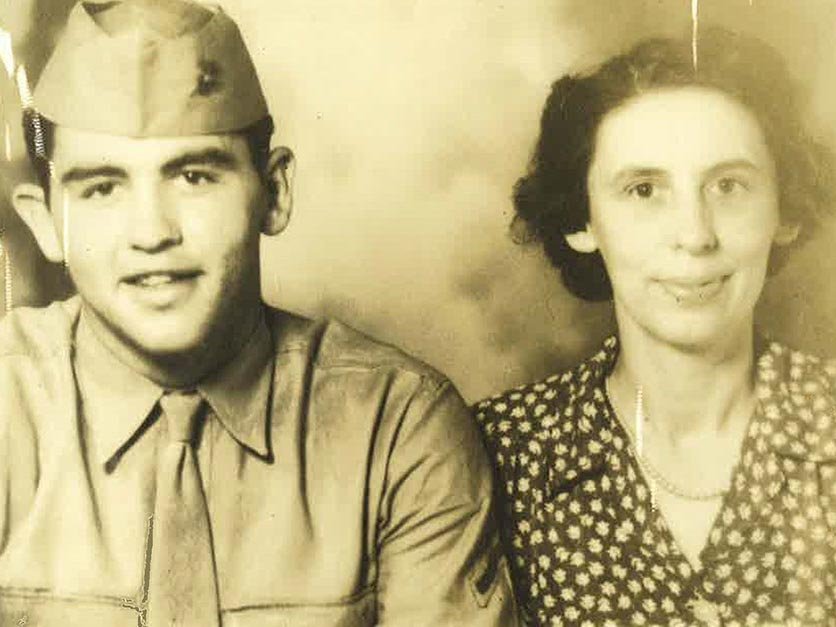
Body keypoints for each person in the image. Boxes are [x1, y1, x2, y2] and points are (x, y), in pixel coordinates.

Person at [0, 1, 518, 625]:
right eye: (102, 188)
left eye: (194, 176)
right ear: (44, 222)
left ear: (274, 193)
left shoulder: (397, 426)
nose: (151, 232)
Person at [475, 27, 836, 626]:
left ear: (784, 210)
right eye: (644, 190)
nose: (695, 235)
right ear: (580, 220)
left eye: (729, 186)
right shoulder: (498, 455)